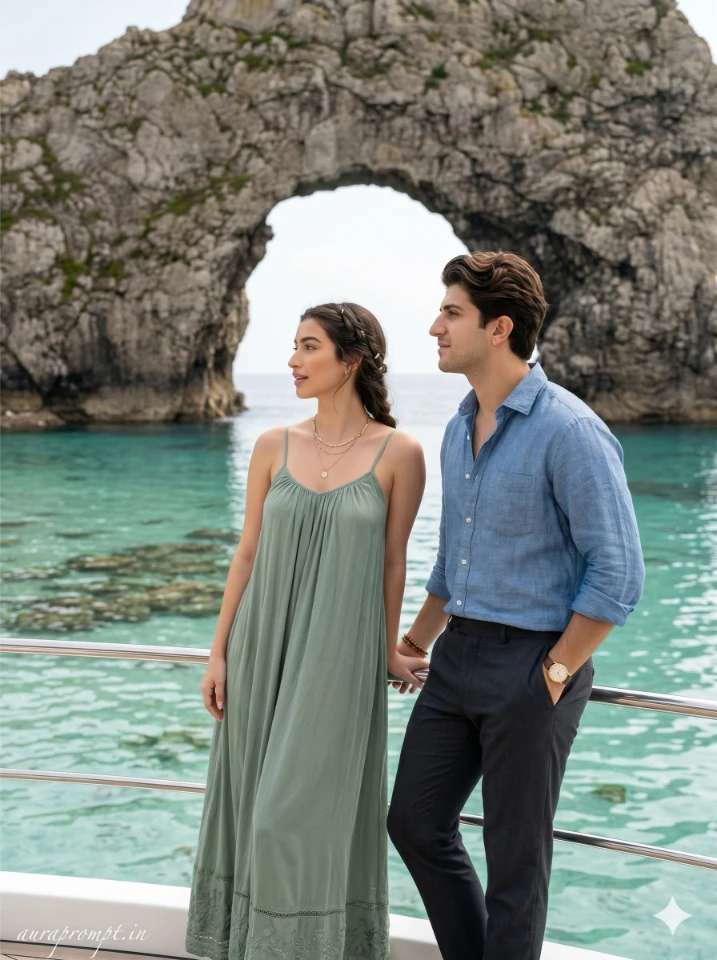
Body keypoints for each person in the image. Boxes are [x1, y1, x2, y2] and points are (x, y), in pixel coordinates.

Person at [387, 251, 645, 960]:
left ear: (498, 328)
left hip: (533, 666)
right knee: (412, 821)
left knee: (514, 865)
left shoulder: (570, 430)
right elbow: (453, 563)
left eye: (451, 313)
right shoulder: (455, 428)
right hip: (457, 658)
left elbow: (617, 573)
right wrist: (412, 642)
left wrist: (556, 673)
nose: (434, 326)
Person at [184, 301, 429, 960]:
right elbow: (247, 553)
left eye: (307, 346)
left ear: (351, 360)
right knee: (247, 813)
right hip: (260, 648)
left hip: (338, 659)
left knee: (284, 822)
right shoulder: (273, 445)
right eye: (293, 347)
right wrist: (217, 654)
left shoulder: (400, 453)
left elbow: (392, 562)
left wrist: (387, 650)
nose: (291, 360)